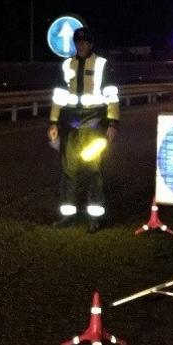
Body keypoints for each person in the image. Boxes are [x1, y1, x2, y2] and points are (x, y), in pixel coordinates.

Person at [48, 27, 120, 233]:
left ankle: (94, 218)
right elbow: (59, 96)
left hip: (94, 123)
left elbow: (112, 96)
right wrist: (53, 123)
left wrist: (113, 124)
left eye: (85, 42)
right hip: (69, 125)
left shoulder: (102, 64)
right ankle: (67, 215)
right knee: (68, 171)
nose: (81, 45)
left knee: (93, 170)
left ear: (91, 44)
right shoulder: (66, 65)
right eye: (78, 42)